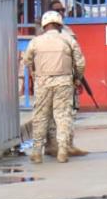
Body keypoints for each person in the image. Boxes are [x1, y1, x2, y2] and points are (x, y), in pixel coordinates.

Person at [23, 11, 86, 164]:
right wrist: (77, 78)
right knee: (63, 116)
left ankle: (37, 152)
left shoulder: (35, 42)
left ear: (44, 25)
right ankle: (63, 150)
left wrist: (35, 74)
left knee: (40, 117)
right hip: (64, 81)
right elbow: (80, 63)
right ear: (59, 25)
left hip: (42, 82)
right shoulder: (68, 40)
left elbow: (27, 60)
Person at [42, 0, 89, 158]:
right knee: (53, 114)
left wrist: (78, 77)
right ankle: (53, 145)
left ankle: (67, 144)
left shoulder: (68, 31)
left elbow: (77, 58)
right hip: (52, 79)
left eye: (63, 10)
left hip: (68, 77)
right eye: (58, 10)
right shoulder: (44, 36)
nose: (61, 13)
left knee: (69, 112)